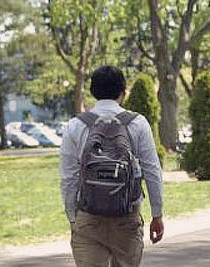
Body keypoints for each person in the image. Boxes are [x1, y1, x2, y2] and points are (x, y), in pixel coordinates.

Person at [60, 65, 164, 267]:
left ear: (93, 91)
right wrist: (157, 214)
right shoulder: (138, 123)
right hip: (126, 217)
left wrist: (73, 217)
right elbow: (152, 172)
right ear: (123, 90)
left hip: (88, 217)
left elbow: (69, 178)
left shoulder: (75, 125)